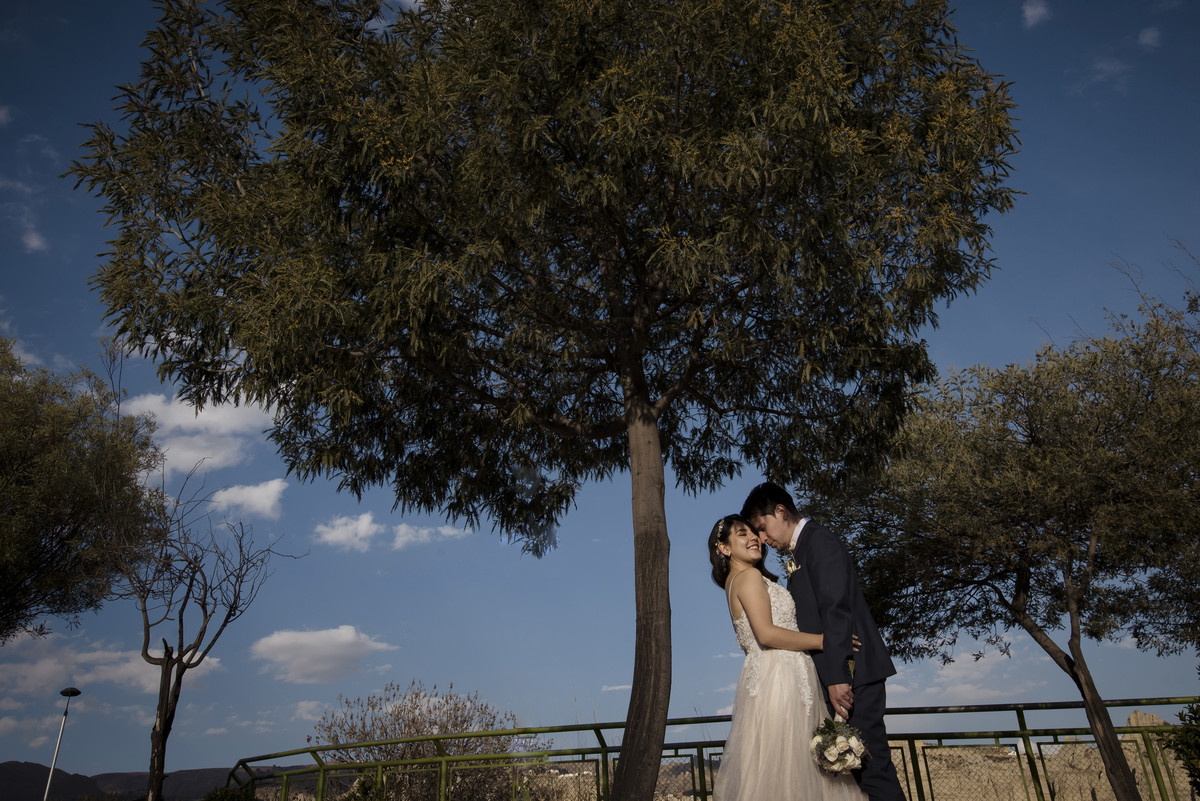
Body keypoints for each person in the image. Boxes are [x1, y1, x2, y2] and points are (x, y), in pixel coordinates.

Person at [742, 482, 906, 801]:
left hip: (854, 674)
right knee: (858, 775)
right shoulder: (799, 551)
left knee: (874, 771)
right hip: (840, 677)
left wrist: (837, 677)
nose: (762, 539)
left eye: (762, 528)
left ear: (780, 511)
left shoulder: (819, 541)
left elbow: (835, 608)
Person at [708, 514, 866, 801]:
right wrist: (826, 641)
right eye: (742, 534)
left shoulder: (733, 582)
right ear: (725, 548)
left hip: (766, 675)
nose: (754, 538)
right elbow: (767, 634)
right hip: (780, 675)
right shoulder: (749, 576)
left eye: (753, 533)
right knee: (792, 762)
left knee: (778, 765)